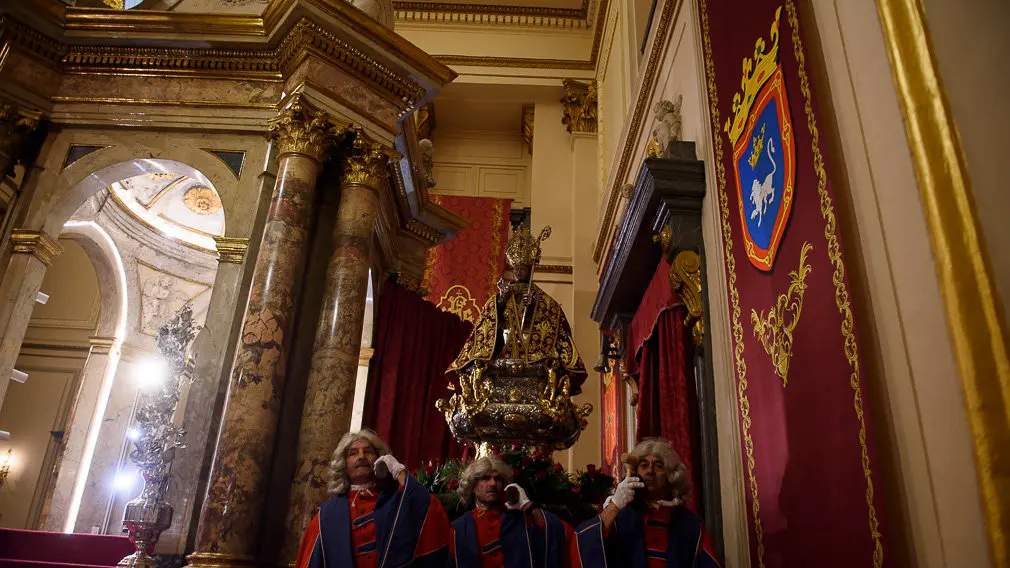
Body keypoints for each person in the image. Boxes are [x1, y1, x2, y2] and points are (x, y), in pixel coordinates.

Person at [294, 429, 450, 568]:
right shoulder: (327, 515)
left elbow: (429, 510)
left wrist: (398, 471)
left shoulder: (396, 501)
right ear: (344, 464)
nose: (361, 457)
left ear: (379, 459)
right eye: (353, 453)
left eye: (368, 451)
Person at [572, 439, 719, 568]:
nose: (650, 471)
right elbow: (584, 541)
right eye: (644, 465)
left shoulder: (691, 525)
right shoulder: (620, 516)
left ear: (670, 475)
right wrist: (615, 506)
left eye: (658, 466)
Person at [449, 456, 573, 568]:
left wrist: (528, 505)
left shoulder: (519, 520)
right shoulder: (458, 528)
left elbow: (558, 531)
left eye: (497, 479)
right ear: (473, 486)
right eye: (485, 478)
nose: (492, 483)